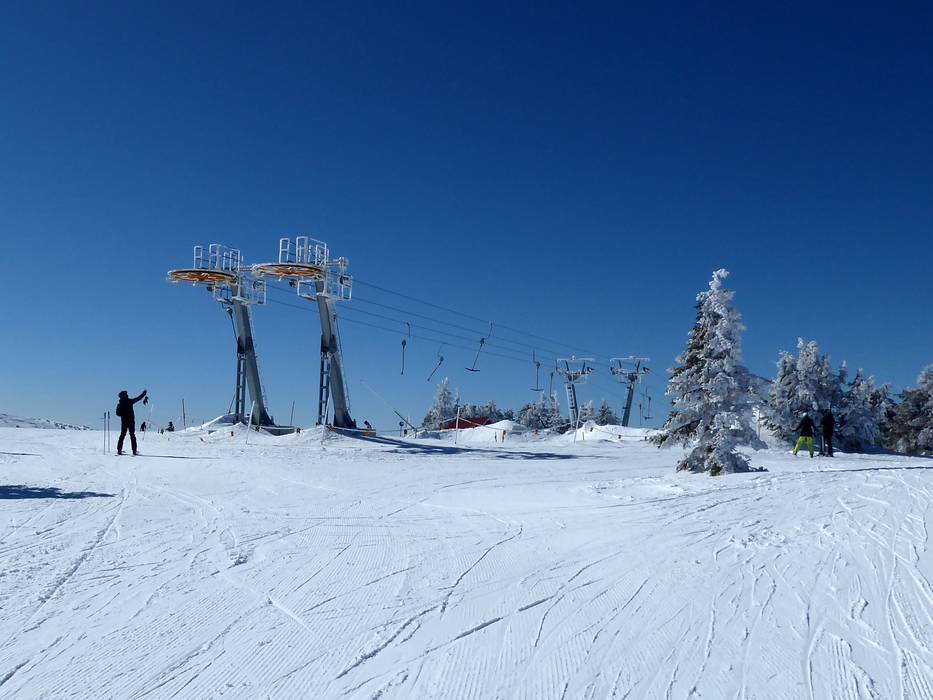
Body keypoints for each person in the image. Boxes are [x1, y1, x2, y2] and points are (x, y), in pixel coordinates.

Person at [116, 389, 147, 455]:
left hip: (124, 421)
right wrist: (143, 394)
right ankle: (134, 451)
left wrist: (123, 414)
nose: (127, 395)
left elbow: (117, 414)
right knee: (132, 435)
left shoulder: (119, 404)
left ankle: (119, 450)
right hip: (131, 421)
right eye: (126, 394)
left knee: (122, 435)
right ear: (125, 395)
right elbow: (138, 398)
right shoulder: (129, 401)